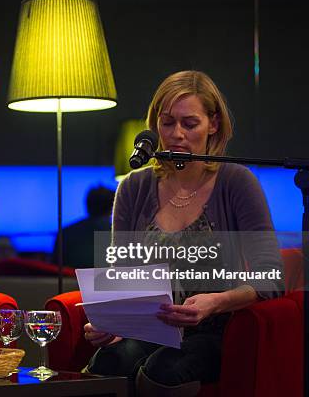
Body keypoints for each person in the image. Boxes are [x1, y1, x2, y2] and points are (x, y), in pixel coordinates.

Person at [83, 70, 283, 396]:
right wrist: (112, 320)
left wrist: (215, 302)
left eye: (190, 124)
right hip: (150, 328)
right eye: (166, 123)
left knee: (163, 368)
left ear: (213, 125)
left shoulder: (236, 182)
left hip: (214, 330)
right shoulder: (134, 187)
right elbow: (121, 274)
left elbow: (272, 276)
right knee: (110, 361)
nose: (176, 134)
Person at [54, 185, 115, 269]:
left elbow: (54, 268)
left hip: (70, 280)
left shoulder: (65, 233)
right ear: (112, 207)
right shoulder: (120, 235)